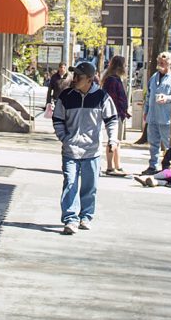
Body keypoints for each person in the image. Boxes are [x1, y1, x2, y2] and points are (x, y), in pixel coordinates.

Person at [52, 60, 118, 235]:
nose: (74, 79)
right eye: (74, 75)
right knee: (70, 183)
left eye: (79, 76)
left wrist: (113, 140)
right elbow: (57, 119)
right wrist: (64, 138)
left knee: (90, 186)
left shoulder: (102, 97)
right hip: (70, 150)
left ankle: (86, 216)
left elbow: (112, 120)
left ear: (89, 79)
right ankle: (70, 219)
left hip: (92, 151)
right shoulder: (66, 96)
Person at [143, 52, 171, 173]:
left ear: (169, 64)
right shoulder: (154, 77)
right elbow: (148, 95)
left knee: (167, 144)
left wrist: (167, 98)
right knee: (153, 143)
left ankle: (168, 167)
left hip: (165, 117)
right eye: (159, 62)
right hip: (152, 116)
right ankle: (152, 166)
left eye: (163, 62)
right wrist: (146, 111)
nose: (160, 64)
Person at [101, 55, 130, 175]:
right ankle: (110, 166)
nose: (126, 67)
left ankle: (117, 165)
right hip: (115, 114)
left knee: (117, 141)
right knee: (113, 140)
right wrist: (119, 111)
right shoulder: (112, 80)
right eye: (124, 65)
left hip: (119, 113)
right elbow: (111, 99)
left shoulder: (113, 79)